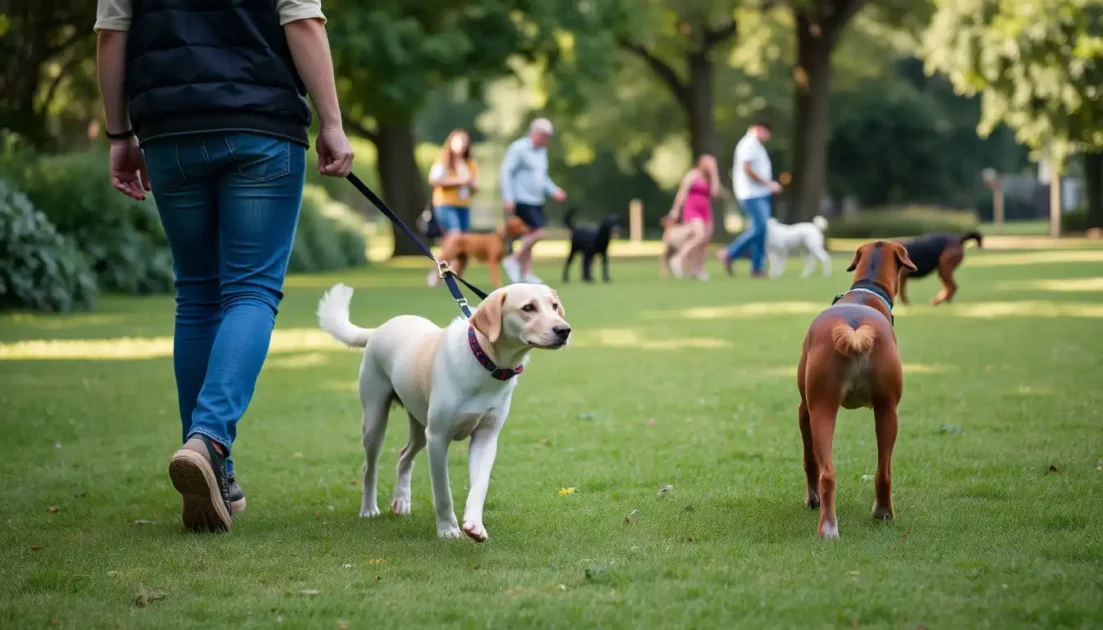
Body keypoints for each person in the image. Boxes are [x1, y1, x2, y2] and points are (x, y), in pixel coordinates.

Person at [95, 0, 354, 532]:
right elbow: (302, 21)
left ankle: (220, 474)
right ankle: (208, 440)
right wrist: (332, 122)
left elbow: (111, 34)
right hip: (260, 124)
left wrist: (120, 136)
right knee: (252, 292)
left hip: (169, 130)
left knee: (196, 295)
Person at [500, 118, 567, 284]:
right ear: (535, 133)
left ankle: (526, 272)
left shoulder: (542, 152)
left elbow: (541, 177)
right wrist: (508, 197)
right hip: (521, 198)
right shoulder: (519, 148)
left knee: (529, 236)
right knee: (538, 233)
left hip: (537, 199)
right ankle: (513, 260)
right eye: (544, 136)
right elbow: (506, 173)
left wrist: (554, 190)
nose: (546, 140)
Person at [717, 120, 782, 277]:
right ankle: (730, 253)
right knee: (760, 227)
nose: (768, 137)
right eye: (767, 133)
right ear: (760, 129)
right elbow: (746, 168)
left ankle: (756, 267)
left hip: (760, 193)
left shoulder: (756, 146)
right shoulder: (748, 144)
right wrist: (768, 183)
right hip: (751, 194)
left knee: (762, 232)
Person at [426, 129, 478, 286]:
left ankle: (457, 276)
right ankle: (436, 271)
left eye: (464, 140)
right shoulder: (444, 160)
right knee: (454, 238)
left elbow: (474, 186)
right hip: (445, 204)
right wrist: (459, 181)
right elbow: (434, 180)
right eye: (458, 140)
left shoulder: (470, 163)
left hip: (463, 205)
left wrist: (471, 184)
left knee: (464, 244)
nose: (462, 144)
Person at [666, 154, 721, 280]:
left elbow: (714, 193)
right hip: (692, 209)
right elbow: (682, 193)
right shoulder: (692, 175)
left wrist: (714, 173)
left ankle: (697, 269)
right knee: (699, 235)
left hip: (705, 209)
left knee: (704, 242)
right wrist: (675, 210)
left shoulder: (709, 178)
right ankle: (679, 258)